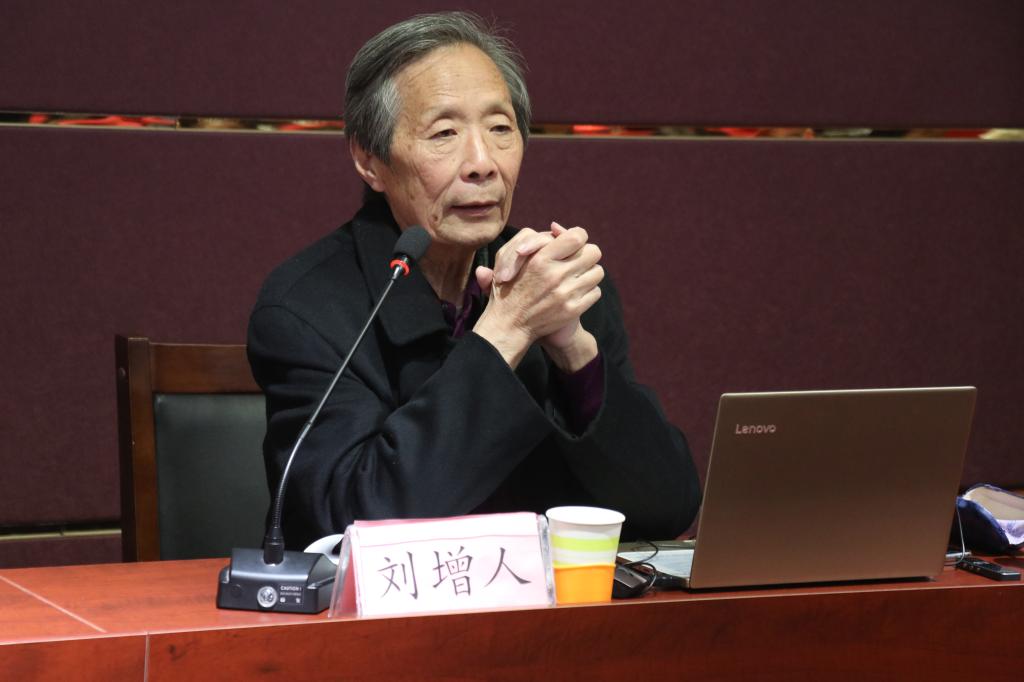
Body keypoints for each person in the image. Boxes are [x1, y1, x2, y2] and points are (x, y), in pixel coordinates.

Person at [248, 12, 700, 551]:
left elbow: (668, 508)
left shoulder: (551, 282)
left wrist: (574, 352)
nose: (482, 163)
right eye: (444, 134)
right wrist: (506, 330)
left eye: (500, 129)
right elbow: (349, 522)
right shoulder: (307, 307)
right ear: (369, 160)